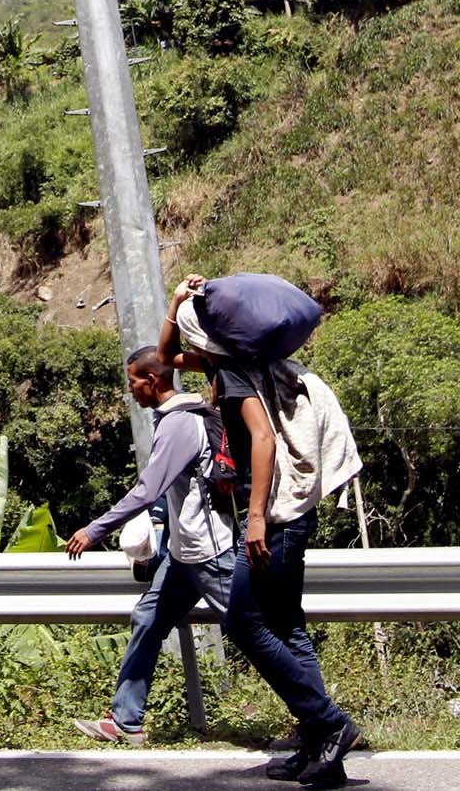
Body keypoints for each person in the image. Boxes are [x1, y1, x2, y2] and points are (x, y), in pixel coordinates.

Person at [157, 277, 361, 789]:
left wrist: (253, 519)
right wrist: (176, 303)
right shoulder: (229, 364)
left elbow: (264, 440)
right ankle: (320, 745)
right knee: (287, 627)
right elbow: (164, 362)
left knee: (244, 623)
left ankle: (330, 723)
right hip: (281, 517)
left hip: (274, 520)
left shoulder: (235, 373)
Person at [65, 346, 236, 745]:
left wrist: (95, 530)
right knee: (148, 618)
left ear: (153, 380)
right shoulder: (175, 419)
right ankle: (126, 720)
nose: (132, 392)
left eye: (133, 383)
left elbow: (147, 491)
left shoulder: (180, 423)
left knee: (252, 630)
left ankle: (318, 719)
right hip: (183, 552)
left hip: (209, 550)